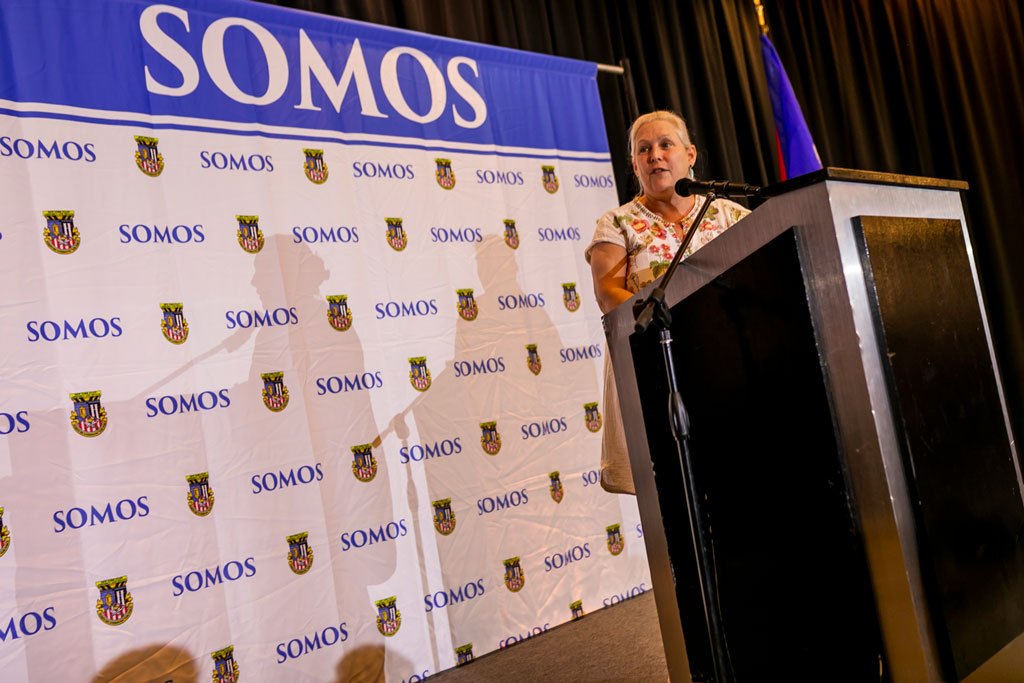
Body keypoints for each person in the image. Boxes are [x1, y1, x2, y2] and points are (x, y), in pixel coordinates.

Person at [585, 110, 750, 494]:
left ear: (690, 155)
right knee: (676, 489)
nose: (655, 155)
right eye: (644, 150)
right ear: (635, 165)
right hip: (658, 362)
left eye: (665, 145)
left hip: (729, 363)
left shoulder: (729, 214)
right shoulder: (617, 223)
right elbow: (608, 294)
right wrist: (672, 323)